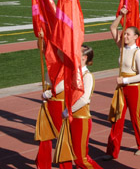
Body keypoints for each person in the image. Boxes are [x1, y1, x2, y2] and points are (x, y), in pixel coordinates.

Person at [104, 8, 140, 160]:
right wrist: (121, 16)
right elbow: (113, 28)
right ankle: (111, 151)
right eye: (125, 33)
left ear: (136, 37)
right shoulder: (122, 48)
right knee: (117, 118)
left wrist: (125, 80)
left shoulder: (138, 53)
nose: (125, 35)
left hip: (134, 88)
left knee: (135, 118)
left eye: (128, 33)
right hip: (121, 88)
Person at [59, 45, 103, 169]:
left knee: (81, 158)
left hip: (80, 119)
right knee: (66, 153)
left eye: (77, 52)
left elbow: (84, 99)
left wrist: (69, 111)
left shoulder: (87, 76)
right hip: (70, 118)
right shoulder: (73, 73)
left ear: (84, 57)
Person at [35, 31, 68, 169]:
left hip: (59, 103)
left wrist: (49, 93)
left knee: (62, 138)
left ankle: (65, 165)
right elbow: (41, 47)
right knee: (44, 136)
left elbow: (63, 83)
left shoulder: (64, 60)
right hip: (48, 102)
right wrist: (41, 37)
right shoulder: (50, 57)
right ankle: (43, 165)